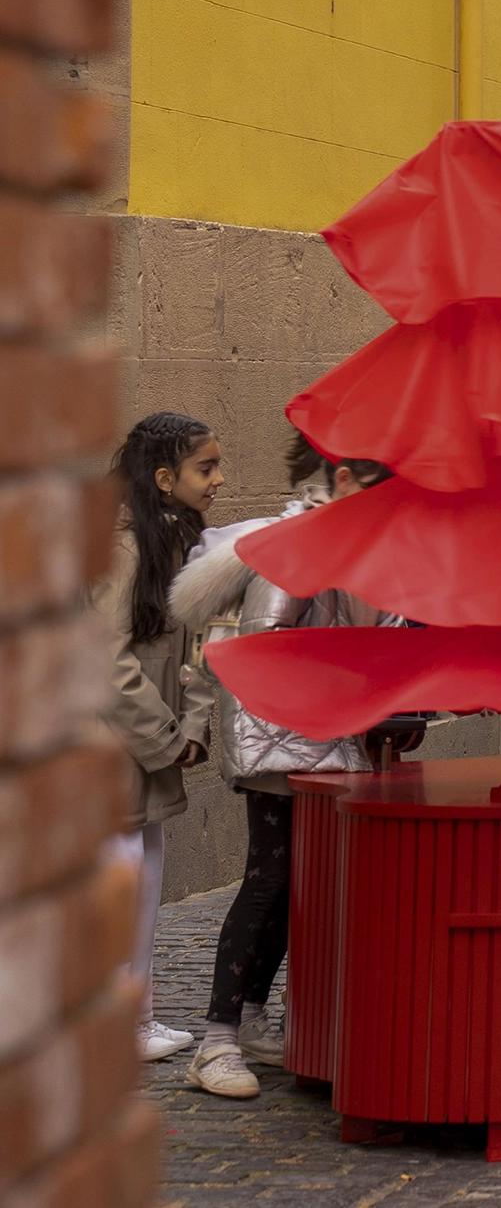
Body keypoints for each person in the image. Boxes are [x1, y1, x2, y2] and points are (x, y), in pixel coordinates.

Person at [169, 432, 398, 1099]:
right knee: (270, 879)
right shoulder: (300, 544)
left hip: (328, 734)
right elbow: (265, 644)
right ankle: (215, 1041)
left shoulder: (354, 541)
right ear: (348, 478)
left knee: (297, 881)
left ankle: (252, 1019)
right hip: (283, 737)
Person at [95, 412, 222, 1063]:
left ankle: (133, 1018)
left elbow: (198, 647)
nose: (220, 480)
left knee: (145, 878)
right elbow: (108, 663)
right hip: (109, 748)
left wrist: (192, 727)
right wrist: (169, 735)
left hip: (149, 745)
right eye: (207, 468)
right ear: (165, 477)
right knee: (123, 882)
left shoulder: (178, 545)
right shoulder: (124, 550)